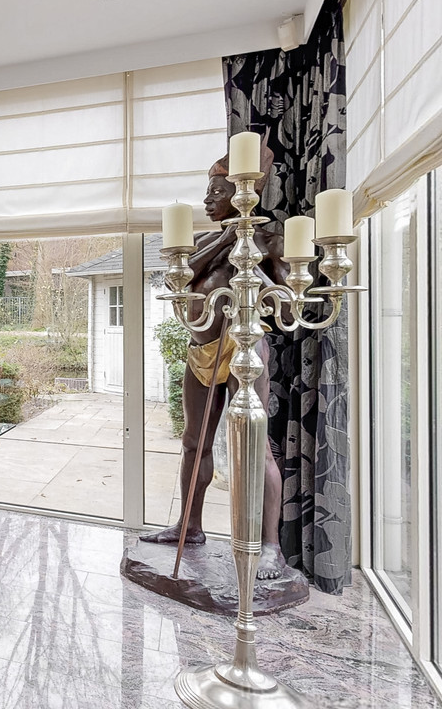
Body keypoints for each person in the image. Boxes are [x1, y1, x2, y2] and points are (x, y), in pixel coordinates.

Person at [140, 147, 289, 580]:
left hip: (244, 350)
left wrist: (254, 268)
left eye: (217, 191)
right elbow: (180, 277)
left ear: (243, 194)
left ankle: (271, 547)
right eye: (207, 191)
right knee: (193, 442)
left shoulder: (268, 240)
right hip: (201, 350)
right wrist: (225, 241)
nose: (207, 199)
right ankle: (190, 525)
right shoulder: (206, 241)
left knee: (256, 449)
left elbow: (284, 302)